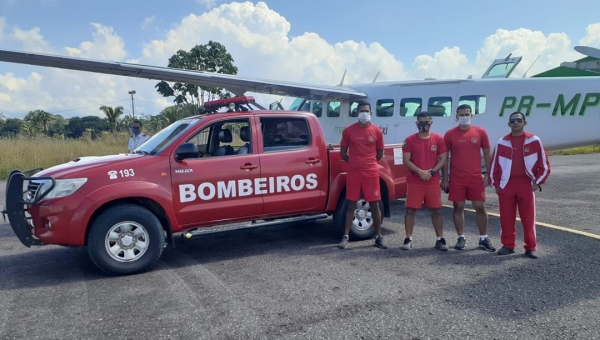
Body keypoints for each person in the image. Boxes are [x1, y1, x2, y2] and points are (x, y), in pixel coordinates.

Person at [489, 112, 551, 259]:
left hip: (526, 185)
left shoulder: (534, 141)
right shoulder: (501, 142)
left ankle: (531, 247)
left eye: (519, 120)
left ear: (524, 123)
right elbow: (494, 167)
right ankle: (508, 245)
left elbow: (545, 166)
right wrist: (496, 186)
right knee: (506, 218)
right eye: (513, 121)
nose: (516, 123)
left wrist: (537, 183)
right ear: (509, 124)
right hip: (507, 185)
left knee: (528, 218)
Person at [441, 104, 496, 252]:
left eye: (467, 114)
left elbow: (487, 154)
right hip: (457, 178)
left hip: (475, 177)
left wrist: (490, 174)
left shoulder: (480, 132)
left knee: (480, 207)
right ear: (457, 116)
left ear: (472, 115)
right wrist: (445, 179)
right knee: (458, 207)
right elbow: (444, 158)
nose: (464, 117)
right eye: (461, 114)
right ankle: (461, 238)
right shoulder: (450, 134)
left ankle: (483, 238)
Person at [337, 101, 386, 249]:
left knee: (374, 204)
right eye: (361, 111)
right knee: (351, 204)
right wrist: (354, 162)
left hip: (371, 172)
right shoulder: (349, 131)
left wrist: (368, 163)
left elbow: (380, 153)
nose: (364, 113)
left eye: (366, 111)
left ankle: (378, 236)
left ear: (371, 112)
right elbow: (343, 152)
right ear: (357, 113)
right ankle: (345, 237)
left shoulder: (377, 131)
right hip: (354, 172)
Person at [400, 111, 448, 251]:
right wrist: (420, 172)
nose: (424, 125)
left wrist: (432, 172)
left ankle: (440, 239)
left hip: (432, 181)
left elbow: (443, 159)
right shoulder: (409, 140)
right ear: (416, 123)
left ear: (431, 123)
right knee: (410, 210)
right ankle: (408, 238)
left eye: (426, 122)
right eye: (421, 122)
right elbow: (406, 160)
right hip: (415, 181)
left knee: (437, 211)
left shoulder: (438, 139)